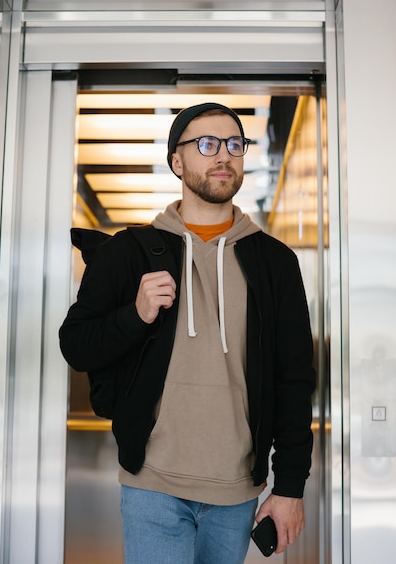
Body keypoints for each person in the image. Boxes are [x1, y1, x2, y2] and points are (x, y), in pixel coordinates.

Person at [59, 102, 316, 564]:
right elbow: (75, 344)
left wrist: (291, 486)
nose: (224, 155)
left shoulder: (274, 263)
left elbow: (294, 379)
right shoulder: (130, 253)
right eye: (207, 144)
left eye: (234, 144)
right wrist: (135, 315)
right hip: (152, 485)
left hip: (237, 490)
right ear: (177, 162)